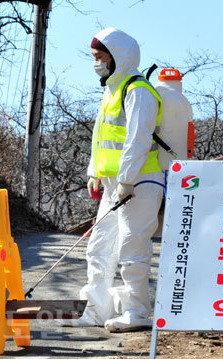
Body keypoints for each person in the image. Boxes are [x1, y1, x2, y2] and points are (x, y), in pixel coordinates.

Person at [76, 28, 164, 332]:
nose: (96, 63)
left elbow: (138, 141)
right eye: (94, 58)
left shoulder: (138, 91)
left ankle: (136, 313)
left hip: (140, 182)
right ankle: (97, 310)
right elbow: (102, 136)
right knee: (99, 247)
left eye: (100, 57)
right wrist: (94, 171)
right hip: (116, 183)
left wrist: (126, 180)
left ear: (118, 57)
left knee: (132, 246)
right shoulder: (112, 90)